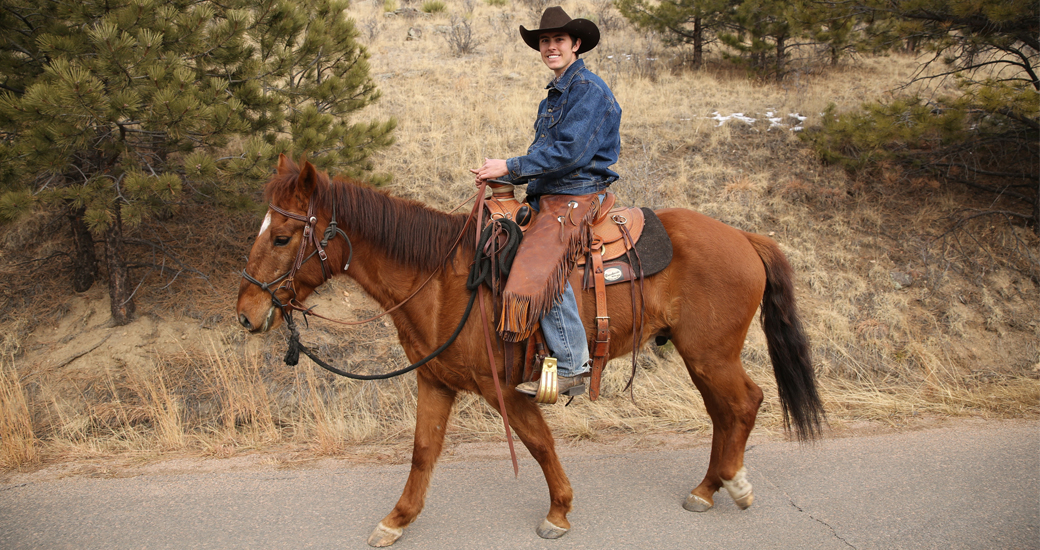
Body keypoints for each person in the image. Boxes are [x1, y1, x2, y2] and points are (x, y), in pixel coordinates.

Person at [470, 6, 622, 398]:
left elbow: (570, 154)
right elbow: (548, 154)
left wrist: (512, 164)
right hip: (552, 193)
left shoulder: (587, 90)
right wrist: (505, 175)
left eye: (558, 40)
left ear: (576, 44)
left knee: (537, 265)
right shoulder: (553, 97)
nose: (551, 47)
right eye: (544, 41)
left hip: (577, 193)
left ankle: (572, 365)